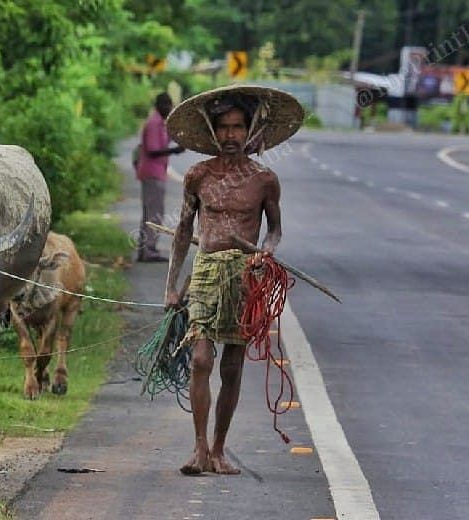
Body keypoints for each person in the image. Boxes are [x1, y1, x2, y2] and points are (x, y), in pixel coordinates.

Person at [162, 85, 304, 475]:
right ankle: (199, 449)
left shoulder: (264, 180)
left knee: (232, 366)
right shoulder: (198, 176)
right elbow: (181, 232)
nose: (230, 135)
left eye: (238, 127)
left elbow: (274, 230)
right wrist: (172, 286)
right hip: (206, 271)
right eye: (223, 127)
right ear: (212, 131)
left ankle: (220, 449)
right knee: (201, 359)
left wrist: (267, 251)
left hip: (245, 276)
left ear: (251, 129)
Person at [136, 92, 185, 262]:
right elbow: (151, 150)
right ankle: (149, 251)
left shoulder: (160, 123)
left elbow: (165, 140)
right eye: (167, 105)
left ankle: (146, 250)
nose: (169, 108)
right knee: (154, 213)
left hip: (155, 172)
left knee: (150, 212)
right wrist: (174, 151)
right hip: (152, 172)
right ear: (159, 105)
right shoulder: (154, 123)